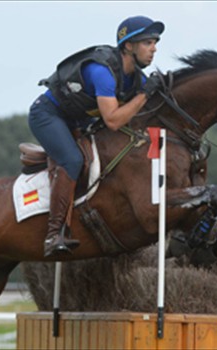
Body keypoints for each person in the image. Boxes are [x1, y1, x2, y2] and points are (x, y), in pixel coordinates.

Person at [28, 15, 165, 257]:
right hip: (48, 115)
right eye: (147, 43)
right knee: (72, 160)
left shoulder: (137, 79)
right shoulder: (102, 71)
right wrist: (144, 95)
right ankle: (54, 233)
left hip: (79, 120)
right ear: (129, 46)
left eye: (155, 42)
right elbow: (112, 120)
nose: (154, 49)